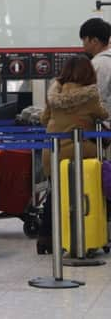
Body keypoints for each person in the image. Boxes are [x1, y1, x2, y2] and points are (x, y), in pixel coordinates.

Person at [37, 55, 108, 253]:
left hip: (52, 153)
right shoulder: (90, 95)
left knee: (55, 194)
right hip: (80, 151)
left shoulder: (54, 93)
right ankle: (94, 230)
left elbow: (44, 119)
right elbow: (103, 115)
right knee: (96, 178)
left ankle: (46, 238)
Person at [79, 18, 111, 115]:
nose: (83, 44)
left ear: (94, 41)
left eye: (84, 39)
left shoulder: (98, 64)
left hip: (104, 124)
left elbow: (97, 98)